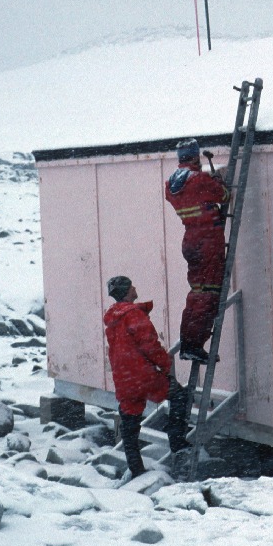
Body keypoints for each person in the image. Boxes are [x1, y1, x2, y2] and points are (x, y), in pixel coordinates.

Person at [103, 275, 190, 478]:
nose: (135, 287)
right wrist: (166, 365)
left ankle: (136, 469)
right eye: (131, 286)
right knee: (179, 396)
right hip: (143, 377)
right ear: (126, 292)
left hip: (124, 380)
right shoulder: (134, 315)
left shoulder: (113, 320)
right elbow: (150, 346)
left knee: (129, 425)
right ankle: (178, 443)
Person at [164, 138, 229, 361]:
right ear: (195, 156)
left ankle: (188, 342)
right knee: (208, 295)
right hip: (208, 241)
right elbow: (224, 196)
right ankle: (194, 345)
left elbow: (193, 197)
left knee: (196, 293)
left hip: (190, 240)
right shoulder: (200, 180)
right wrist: (218, 182)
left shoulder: (170, 184)